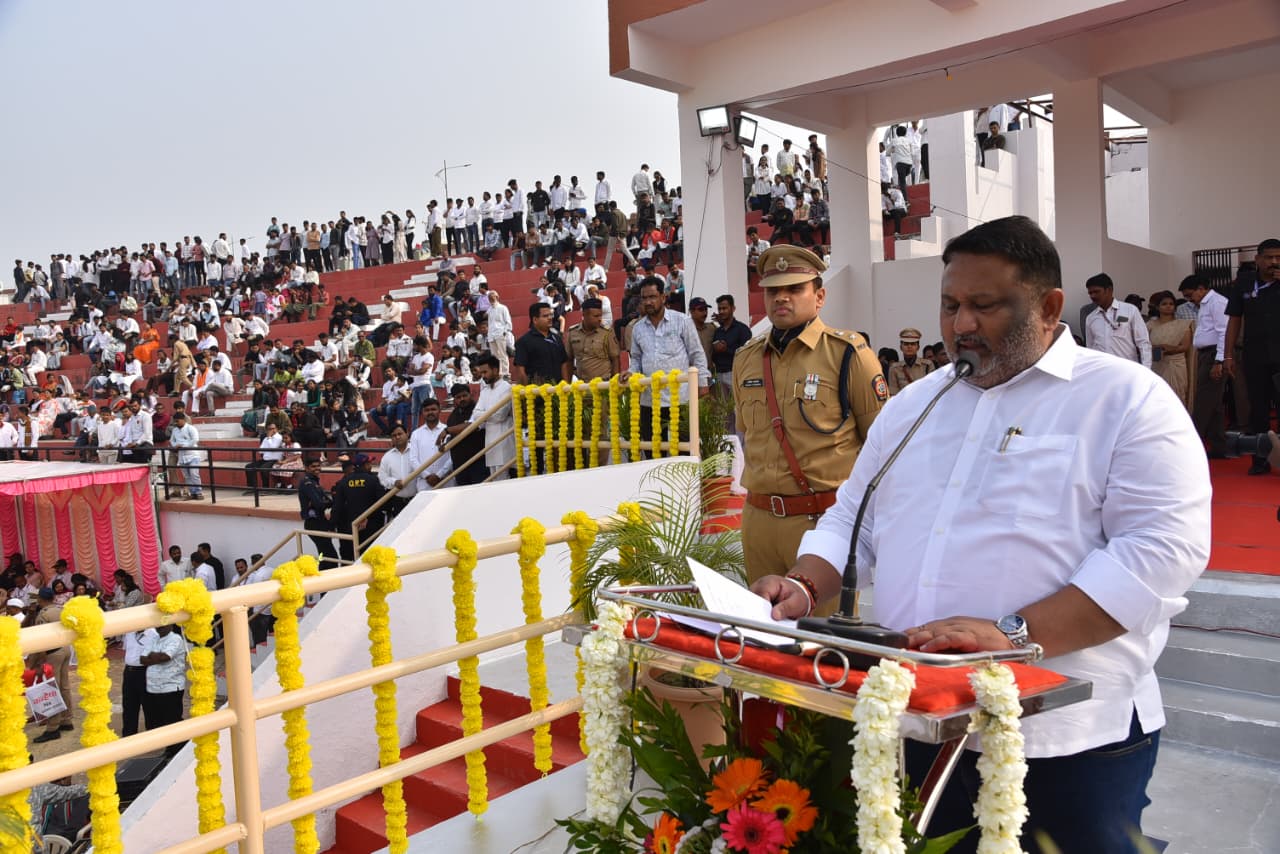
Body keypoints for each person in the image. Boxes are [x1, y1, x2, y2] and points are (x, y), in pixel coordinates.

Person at [752, 216, 1210, 854]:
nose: (960, 324)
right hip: (922, 716)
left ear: (1049, 307)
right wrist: (804, 585)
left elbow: (1161, 551)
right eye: (949, 305)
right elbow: (853, 517)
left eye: (984, 305)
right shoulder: (915, 405)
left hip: (1066, 734)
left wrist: (1015, 634)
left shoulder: (1127, 399)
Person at [733, 245, 887, 588]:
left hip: (822, 522)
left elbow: (882, 445)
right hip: (758, 519)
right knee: (763, 617)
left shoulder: (849, 355)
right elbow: (746, 434)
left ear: (819, 297)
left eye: (794, 289)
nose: (781, 297)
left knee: (822, 621)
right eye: (772, 291)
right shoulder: (746, 358)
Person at [628, 276, 710, 453]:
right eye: (644, 298)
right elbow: (635, 359)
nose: (648, 302)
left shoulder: (682, 321)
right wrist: (631, 372)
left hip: (680, 399)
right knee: (653, 452)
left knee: (684, 451)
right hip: (650, 400)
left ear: (663, 297)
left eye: (652, 297)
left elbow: (696, 353)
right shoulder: (637, 328)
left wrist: (703, 382)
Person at [1224, 238, 1280, 475]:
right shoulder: (1244, 283)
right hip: (1255, 356)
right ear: (1257, 259)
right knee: (1258, 410)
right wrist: (1227, 356)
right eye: (1269, 257)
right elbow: (1234, 319)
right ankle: (1260, 460)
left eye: (1278, 257)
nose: (1274, 262)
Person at [1179, 274, 1229, 457]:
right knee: (1213, 403)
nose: (1189, 299)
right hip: (1206, 354)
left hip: (1214, 354)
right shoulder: (1206, 304)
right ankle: (1219, 445)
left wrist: (1219, 361)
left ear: (1201, 289)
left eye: (1190, 294)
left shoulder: (1217, 302)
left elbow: (1224, 332)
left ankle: (1189, 447)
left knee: (1202, 402)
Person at [28, 587, 73, 742]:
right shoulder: (61, 610)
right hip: (65, 648)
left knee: (52, 689)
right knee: (64, 687)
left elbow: (42, 640)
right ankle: (66, 720)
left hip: (52, 652)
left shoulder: (44, 614)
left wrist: (40, 661)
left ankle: (53, 727)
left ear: (40, 599)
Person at [1084, 273, 1152, 368]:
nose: (1093, 296)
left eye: (1096, 292)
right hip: (1102, 370)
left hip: (1127, 370)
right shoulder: (1091, 318)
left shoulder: (1130, 310)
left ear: (1109, 290)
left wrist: (1146, 369)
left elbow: (1143, 343)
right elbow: (1090, 348)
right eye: (1090, 293)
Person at [140, 622, 188, 757]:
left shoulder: (175, 639)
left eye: (162, 625)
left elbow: (165, 657)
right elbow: (142, 659)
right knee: (160, 721)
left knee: (172, 720)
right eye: (158, 625)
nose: (159, 627)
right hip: (153, 687)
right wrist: (157, 657)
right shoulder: (154, 638)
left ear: (171, 625)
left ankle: (176, 750)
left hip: (171, 687)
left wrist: (153, 657)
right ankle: (171, 749)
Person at [330, 452, 386, 564]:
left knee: (348, 559)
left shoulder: (343, 482)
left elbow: (337, 506)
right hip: (371, 527)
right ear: (364, 465)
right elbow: (382, 503)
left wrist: (332, 524)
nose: (371, 466)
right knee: (369, 560)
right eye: (369, 463)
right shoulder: (373, 480)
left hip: (349, 527)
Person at [1145, 291, 1193, 407]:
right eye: (1164, 304)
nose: (1168, 306)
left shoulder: (1183, 325)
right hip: (1157, 364)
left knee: (1177, 396)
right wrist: (1156, 348)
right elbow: (1144, 344)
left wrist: (1170, 348)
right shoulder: (1150, 324)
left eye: (1171, 304)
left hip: (1176, 365)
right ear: (1158, 307)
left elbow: (1185, 346)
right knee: (1157, 397)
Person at [471, 355, 515, 479]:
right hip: (490, 442)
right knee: (494, 481)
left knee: (504, 481)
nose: (483, 376)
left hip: (504, 440)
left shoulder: (507, 388)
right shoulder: (484, 391)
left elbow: (500, 415)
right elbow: (475, 414)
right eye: (481, 373)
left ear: (495, 370)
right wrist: (488, 414)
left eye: (485, 372)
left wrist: (483, 415)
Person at [442, 383, 488, 486]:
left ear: (470, 395)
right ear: (454, 399)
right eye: (458, 397)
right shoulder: (453, 416)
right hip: (459, 465)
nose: (462, 399)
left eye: (464, 395)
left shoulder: (477, 410)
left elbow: (472, 425)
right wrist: (446, 443)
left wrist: (448, 430)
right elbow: (453, 436)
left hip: (478, 462)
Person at [298, 457, 338, 570]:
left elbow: (324, 501)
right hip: (314, 523)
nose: (317, 468)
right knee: (330, 556)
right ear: (306, 468)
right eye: (313, 466)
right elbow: (319, 504)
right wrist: (329, 502)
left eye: (318, 466)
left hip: (320, 521)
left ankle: (322, 571)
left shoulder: (314, 482)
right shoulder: (307, 483)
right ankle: (324, 574)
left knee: (324, 553)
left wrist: (328, 502)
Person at [377, 425, 418, 519]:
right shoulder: (387, 457)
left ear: (407, 434)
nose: (397, 437)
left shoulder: (416, 451)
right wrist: (394, 482)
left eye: (400, 434)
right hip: (398, 502)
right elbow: (382, 478)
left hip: (417, 499)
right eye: (394, 435)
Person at [887, 328, 934, 394]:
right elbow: (894, 393)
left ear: (918, 347)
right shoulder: (894, 368)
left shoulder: (927, 365)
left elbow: (932, 390)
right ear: (901, 347)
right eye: (906, 344)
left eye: (913, 344)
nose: (909, 346)